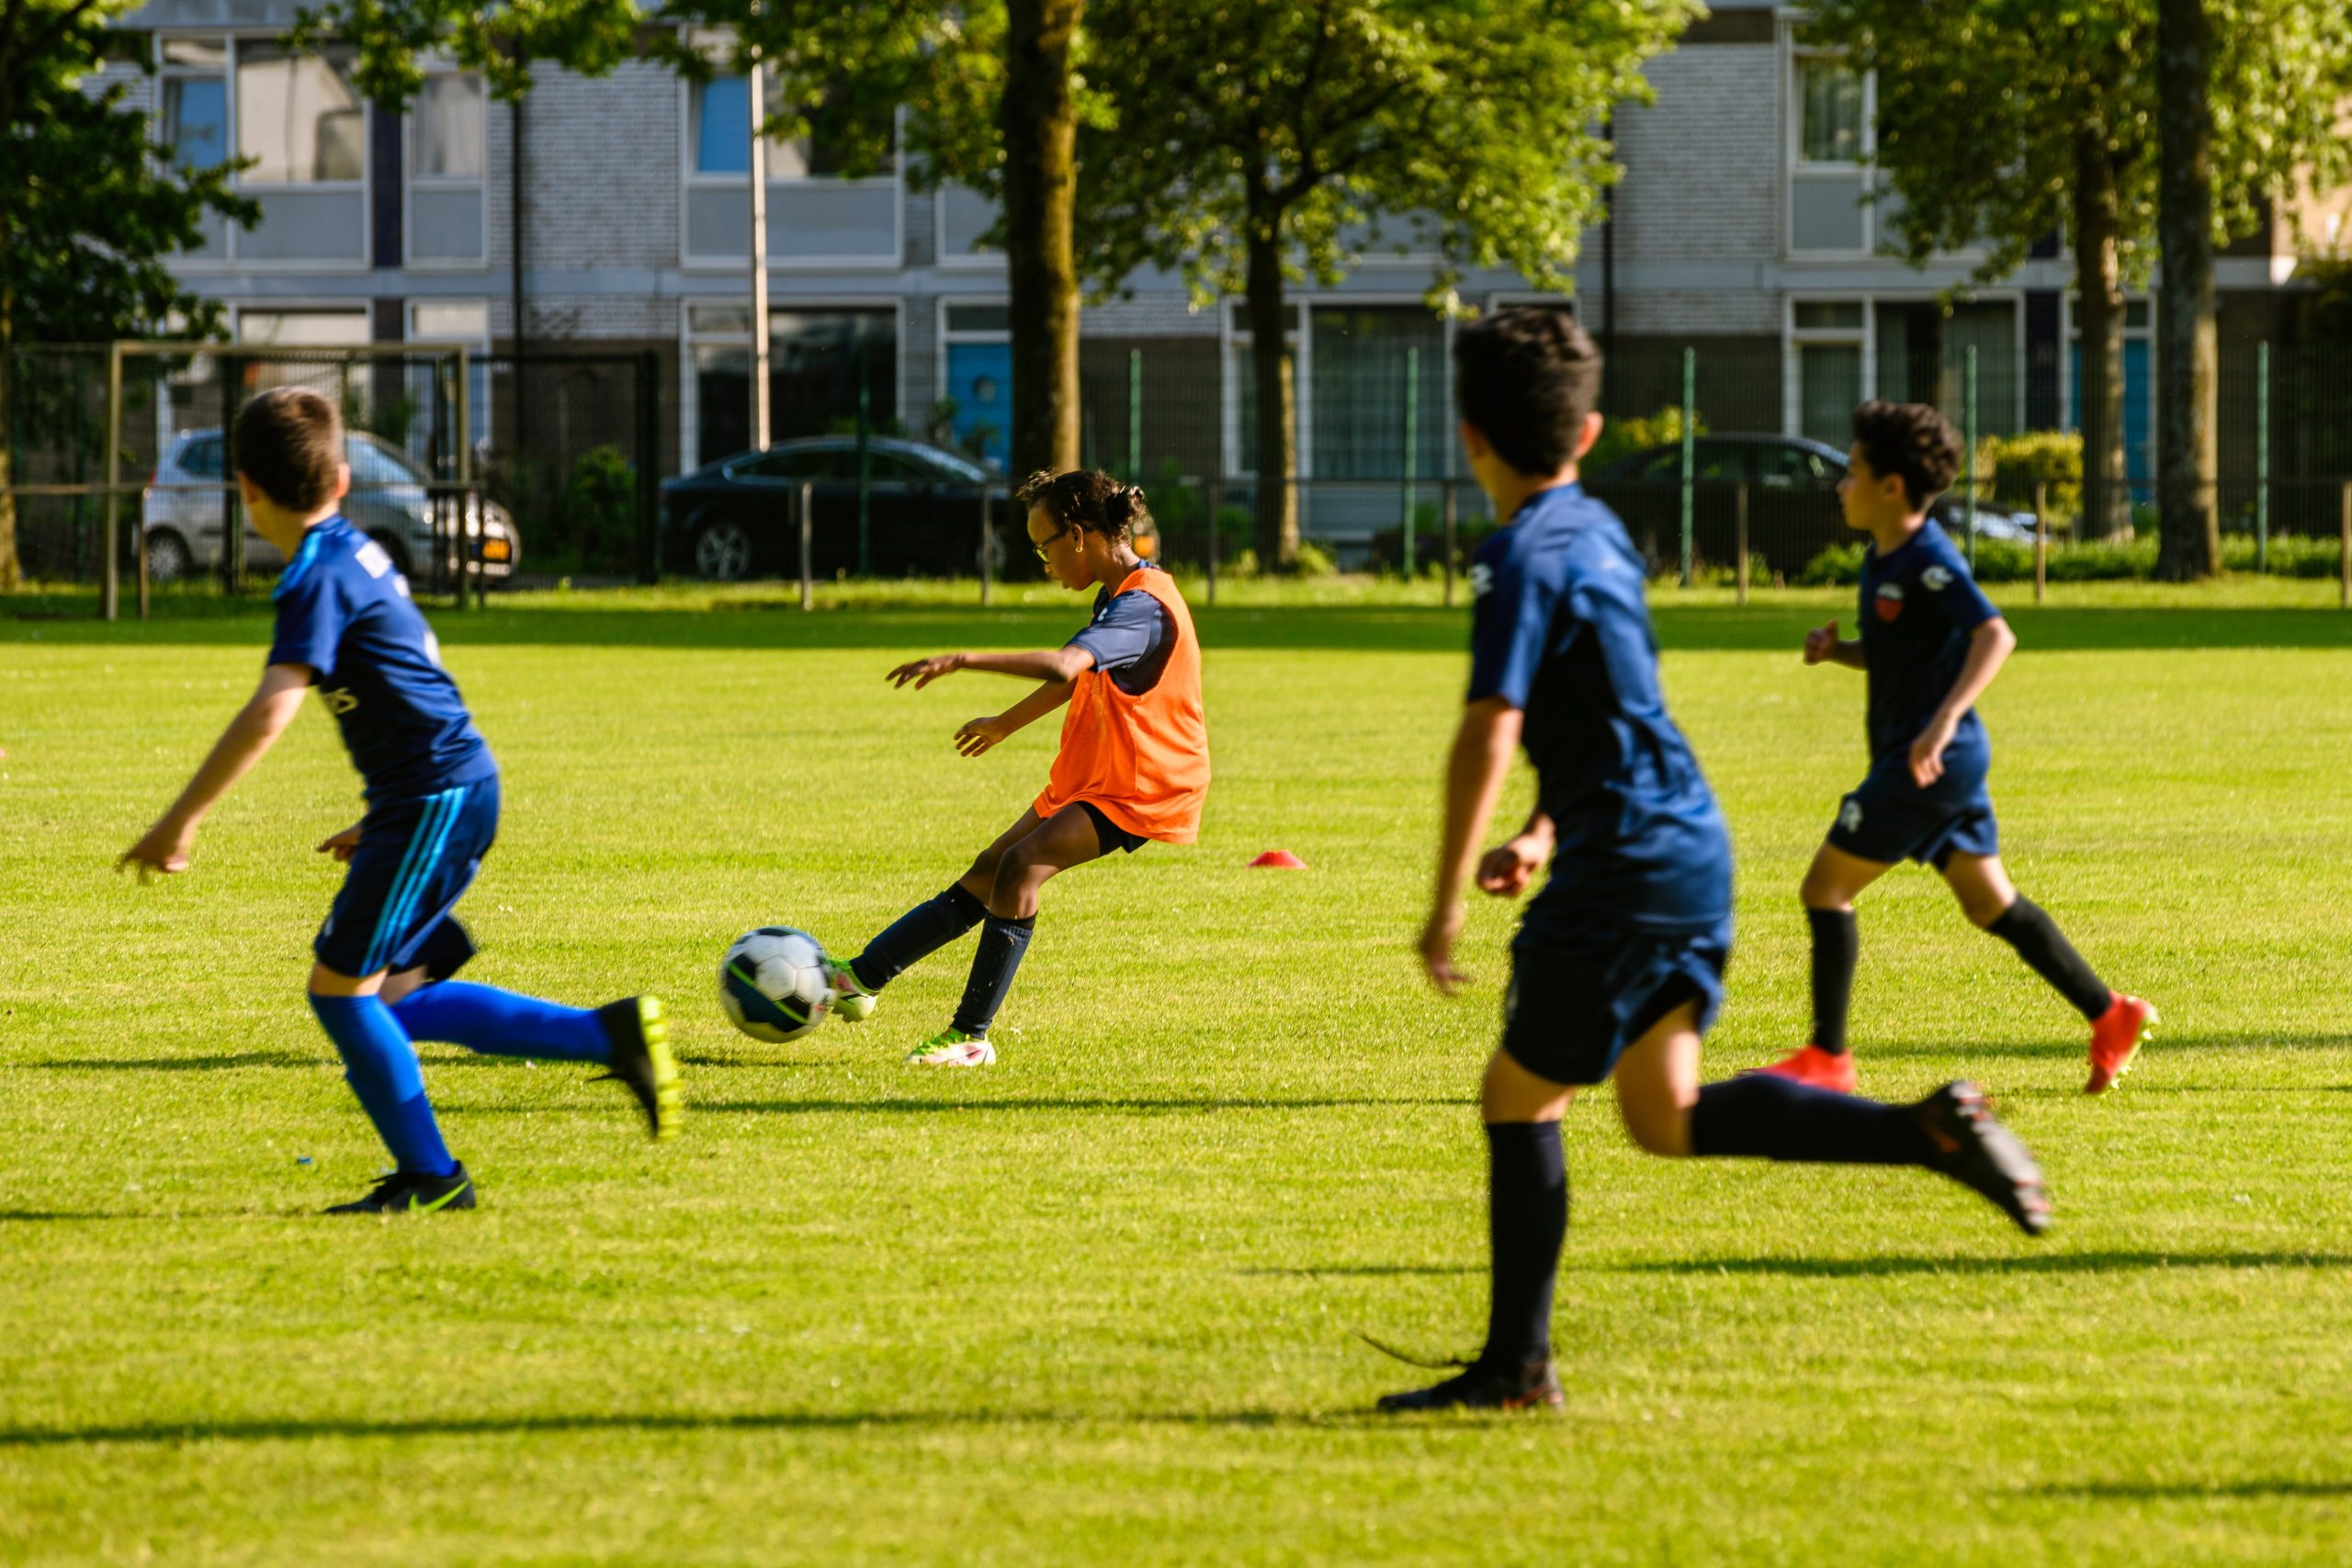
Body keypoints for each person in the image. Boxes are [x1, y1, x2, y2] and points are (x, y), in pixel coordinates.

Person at [1383, 310, 2047, 1414]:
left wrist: (1444, 898)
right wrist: (1544, 830)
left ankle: (1515, 1370)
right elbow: (1604, 711)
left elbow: (1492, 724)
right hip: (1686, 848)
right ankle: (1924, 1130)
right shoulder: (1597, 531)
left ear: (1468, 439)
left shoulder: (1515, 554)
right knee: (1660, 1114)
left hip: (1625, 865)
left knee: (1518, 1097)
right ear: (1589, 432)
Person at [118, 388, 677, 1214]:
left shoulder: (314, 575)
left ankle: (433, 1176)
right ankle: (610, 1035)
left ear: (244, 489)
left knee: (337, 992)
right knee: (392, 998)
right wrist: (388, 814)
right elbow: (414, 673)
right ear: (341, 479)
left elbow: (272, 706)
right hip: (438, 792)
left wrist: (180, 820)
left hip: (435, 796)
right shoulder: (358, 552)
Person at [1753, 400, 2154, 1098]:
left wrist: (1939, 725)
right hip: (1938, 758)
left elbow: (1994, 634)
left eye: (1852, 471)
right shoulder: (1884, 558)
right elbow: (1904, 656)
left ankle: (1828, 1058)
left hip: (1928, 759)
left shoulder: (1929, 557)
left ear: (1891, 487)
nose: (1840, 485)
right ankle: (2111, 1013)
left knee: (1825, 887)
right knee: (1989, 902)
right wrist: (1838, 651)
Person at [823, 470, 1209, 1067]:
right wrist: (1006, 722)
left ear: (1077, 535)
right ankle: (862, 977)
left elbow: (1062, 664)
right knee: (988, 869)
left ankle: (970, 1036)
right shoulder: (1123, 592)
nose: (1045, 562)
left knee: (1020, 867)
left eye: (1044, 545)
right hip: (1101, 770)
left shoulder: (1142, 605)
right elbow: (1081, 674)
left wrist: (963, 658)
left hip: (1144, 783)